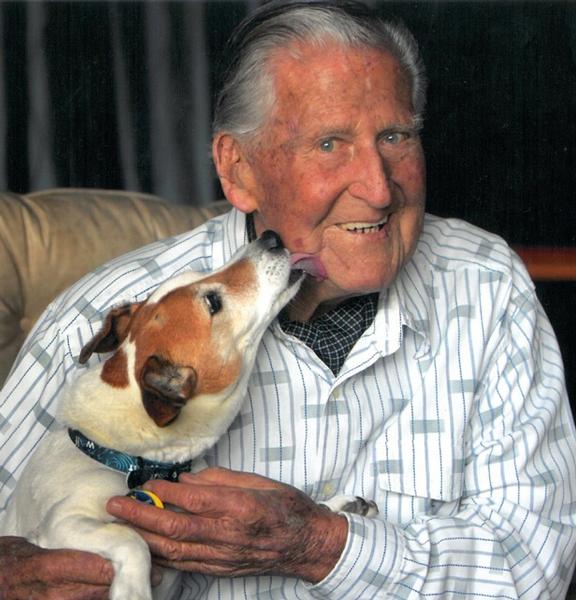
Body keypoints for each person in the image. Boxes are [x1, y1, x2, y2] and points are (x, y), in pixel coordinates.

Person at [1, 1, 575, 598]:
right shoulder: (104, 321)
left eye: (394, 136)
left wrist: (323, 546)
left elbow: (532, 568)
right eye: (330, 144)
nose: (379, 189)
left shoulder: (487, 287)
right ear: (238, 168)